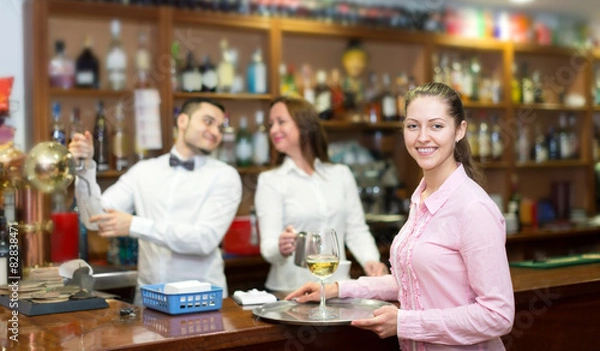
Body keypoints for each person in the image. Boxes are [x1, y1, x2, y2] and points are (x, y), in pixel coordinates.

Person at [287, 82, 515, 350]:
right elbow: (409, 281)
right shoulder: (421, 198)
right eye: (413, 126)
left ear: (460, 130)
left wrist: (404, 323)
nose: (422, 137)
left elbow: (497, 316)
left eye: (437, 126)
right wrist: (338, 289)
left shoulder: (473, 208)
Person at [68, 97, 242, 303]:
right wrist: (85, 168)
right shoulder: (144, 171)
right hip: (148, 301)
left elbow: (204, 240)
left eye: (220, 128)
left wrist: (135, 225)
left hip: (201, 300)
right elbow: (94, 218)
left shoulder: (225, 176)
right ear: (183, 121)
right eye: (208, 121)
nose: (215, 132)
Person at [254, 96, 388, 293]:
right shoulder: (270, 181)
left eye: (281, 122)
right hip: (291, 292)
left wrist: (372, 261)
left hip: (339, 288)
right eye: (271, 124)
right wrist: (280, 248)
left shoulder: (340, 174)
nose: (273, 130)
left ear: (306, 126)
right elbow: (268, 248)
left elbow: (356, 230)